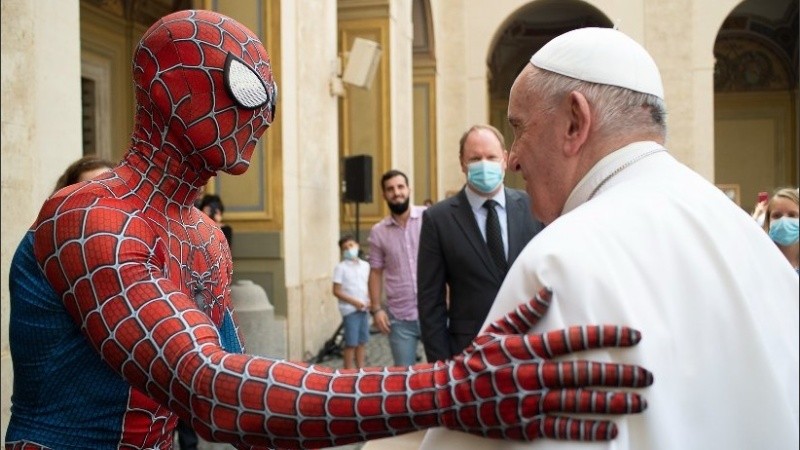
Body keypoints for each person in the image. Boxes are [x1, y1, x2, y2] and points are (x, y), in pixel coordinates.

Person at [5, 12, 655, 448]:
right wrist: (452, 389)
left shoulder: (202, 237)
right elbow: (207, 388)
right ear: (168, 86)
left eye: (271, 97)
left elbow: (243, 388)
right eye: (245, 88)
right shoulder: (89, 217)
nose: (263, 115)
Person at [419, 27, 799, 450]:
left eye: (519, 128)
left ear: (575, 122)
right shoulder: (744, 232)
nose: (514, 159)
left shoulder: (559, 261)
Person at [417, 124, 543, 362]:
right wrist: (442, 367)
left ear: (504, 159)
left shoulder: (533, 206)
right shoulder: (438, 219)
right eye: (475, 158)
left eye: (491, 157)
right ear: (462, 163)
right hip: (468, 353)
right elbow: (430, 302)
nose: (484, 164)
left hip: (529, 348)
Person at [367, 170, 427, 366]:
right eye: (390, 189)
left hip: (434, 313)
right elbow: (375, 271)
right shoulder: (378, 232)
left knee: (442, 374)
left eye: (400, 187)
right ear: (384, 195)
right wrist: (376, 309)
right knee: (403, 377)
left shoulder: (429, 217)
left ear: (409, 189)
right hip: (400, 319)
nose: (396, 192)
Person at [332, 234, 371, 369]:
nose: (349, 249)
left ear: (357, 246)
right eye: (345, 248)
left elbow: (368, 285)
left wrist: (369, 300)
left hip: (364, 308)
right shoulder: (341, 268)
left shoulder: (365, 266)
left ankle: (360, 370)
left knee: (362, 341)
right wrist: (354, 302)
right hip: (350, 310)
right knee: (351, 343)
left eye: (351, 245)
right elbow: (336, 291)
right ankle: (347, 372)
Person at [762, 186, 799, 274]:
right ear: (768, 221)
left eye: (792, 215)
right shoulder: (759, 260)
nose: (784, 220)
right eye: (777, 215)